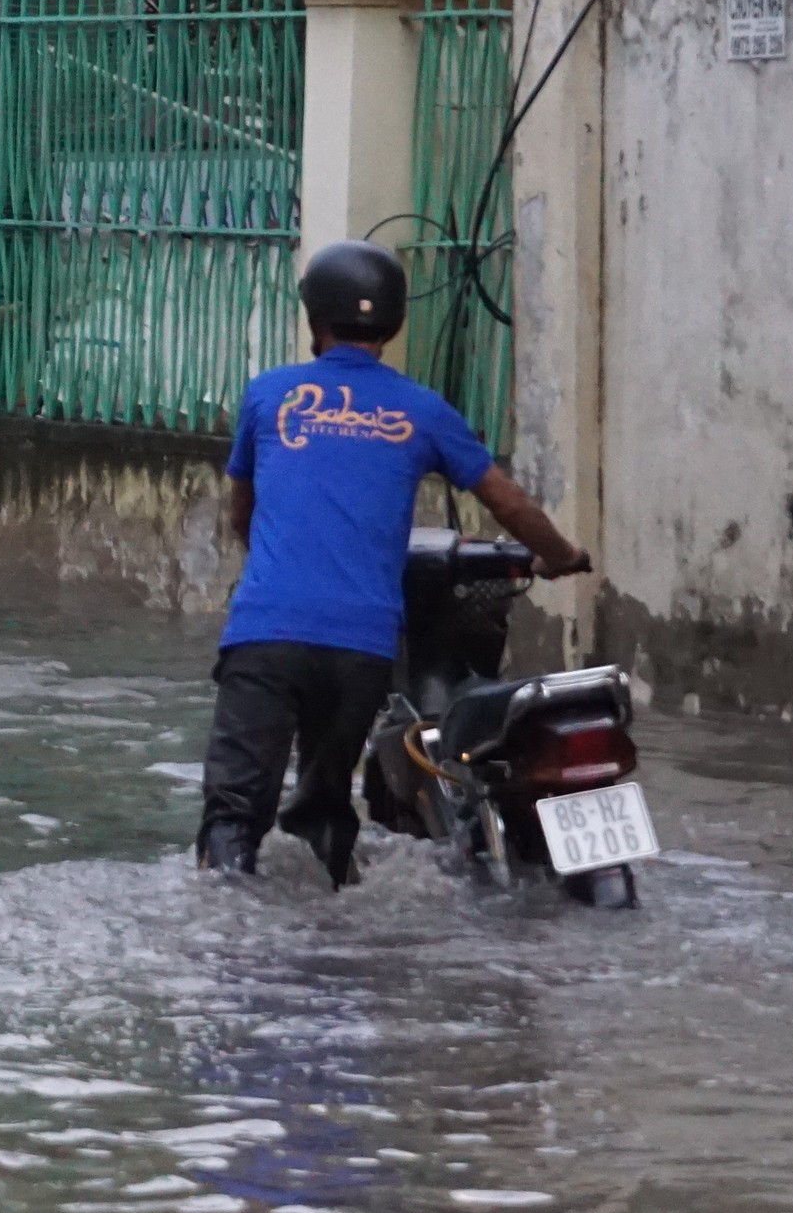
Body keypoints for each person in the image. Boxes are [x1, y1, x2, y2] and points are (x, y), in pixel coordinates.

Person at [198, 240, 591, 884]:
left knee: (234, 817)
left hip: (266, 634)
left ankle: (227, 939)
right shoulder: (422, 410)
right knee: (325, 814)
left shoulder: (269, 396)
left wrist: (278, 570)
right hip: (361, 648)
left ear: (312, 317)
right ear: (395, 322)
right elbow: (510, 503)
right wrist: (564, 556)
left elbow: (243, 511)